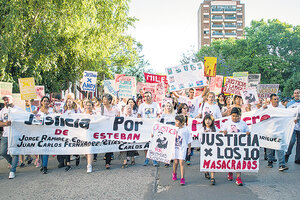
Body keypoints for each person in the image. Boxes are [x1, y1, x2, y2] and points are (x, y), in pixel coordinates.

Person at [220, 107, 250, 186]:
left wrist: (247, 133)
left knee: (238, 161)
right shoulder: (227, 123)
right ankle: (230, 172)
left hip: (239, 146)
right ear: (231, 115)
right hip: (229, 146)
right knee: (230, 160)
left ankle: (238, 177)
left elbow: (248, 131)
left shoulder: (243, 123)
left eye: (237, 116)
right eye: (233, 116)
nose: (235, 118)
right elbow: (221, 131)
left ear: (240, 116)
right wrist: (224, 131)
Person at [263, 94, 288, 171]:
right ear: (271, 100)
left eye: (277, 99)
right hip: (269, 131)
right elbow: (259, 115)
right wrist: (261, 109)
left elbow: (287, 116)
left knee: (280, 147)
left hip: (279, 131)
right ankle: (270, 161)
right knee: (270, 148)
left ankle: (282, 164)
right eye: (274, 99)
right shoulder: (267, 108)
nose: (276, 101)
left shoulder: (282, 108)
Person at [0, 95, 22, 179]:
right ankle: (13, 163)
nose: (6, 101)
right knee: (2, 152)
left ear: (12, 100)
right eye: (4, 100)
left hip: (15, 134)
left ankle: (12, 171)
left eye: (7, 99)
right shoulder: (2, 111)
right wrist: (5, 124)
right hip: (5, 135)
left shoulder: (18, 109)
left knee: (15, 152)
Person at [57, 95, 81, 171]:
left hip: (74, 130)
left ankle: (77, 155)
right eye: (67, 102)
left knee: (74, 146)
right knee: (67, 146)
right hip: (66, 131)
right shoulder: (64, 111)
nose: (69, 103)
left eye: (70, 102)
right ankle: (68, 163)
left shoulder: (76, 110)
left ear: (72, 102)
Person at [138, 91, 161, 166]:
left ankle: (154, 159)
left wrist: (157, 121)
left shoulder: (155, 105)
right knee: (146, 143)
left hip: (154, 127)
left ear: (151, 97)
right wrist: (141, 121)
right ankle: (147, 158)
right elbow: (139, 115)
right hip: (145, 128)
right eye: (145, 96)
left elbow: (159, 114)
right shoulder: (142, 105)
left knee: (154, 143)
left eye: (148, 96)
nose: (147, 98)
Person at [33, 96, 54, 174]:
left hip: (49, 132)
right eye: (44, 101)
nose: (46, 102)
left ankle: (44, 166)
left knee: (45, 148)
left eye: (47, 101)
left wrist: (51, 115)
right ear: (41, 102)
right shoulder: (37, 110)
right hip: (39, 131)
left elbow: (58, 117)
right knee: (41, 148)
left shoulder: (52, 110)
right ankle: (43, 165)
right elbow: (28, 116)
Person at [100, 93, 120, 169]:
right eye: (103, 99)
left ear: (110, 101)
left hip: (112, 129)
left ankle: (107, 162)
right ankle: (107, 156)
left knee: (110, 144)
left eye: (105, 99)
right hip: (103, 129)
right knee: (105, 144)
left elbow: (119, 119)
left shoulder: (115, 109)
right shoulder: (101, 108)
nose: (104, 101)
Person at [172, 115, 192, 186]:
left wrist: (189, 148)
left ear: (181, 122)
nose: (175, 122)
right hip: (175, 148)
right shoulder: (173, 128)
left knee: (181, 162)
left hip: (182, 148)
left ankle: (182, 178)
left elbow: (189, 139)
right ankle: (174, 173)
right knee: (176, 162)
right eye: (175, 120)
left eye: (177, 121)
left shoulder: (185, 130)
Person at [201, 114, 218, 185]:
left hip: (213, 148)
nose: (207, 121)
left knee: (213, 162)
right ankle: (206, 171)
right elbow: (199, 139)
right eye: (206, 120)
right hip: (205, 149)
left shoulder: (215, 128)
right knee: (206, 161)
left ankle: (212, 177)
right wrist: (204, 134)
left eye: (209, 120)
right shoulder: (202, 129)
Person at [285, 89, 300, 164]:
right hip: (292, 126)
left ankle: (298, 158)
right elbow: (286, 115)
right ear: (293, 94)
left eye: (298, 93)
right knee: (292, 141)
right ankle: (287, 154)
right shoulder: (290, 104)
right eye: (295, 93)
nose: (296, 94)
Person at [84, 100, 97, 173]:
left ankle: (89, 165)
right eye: (87, 105)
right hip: (84, 134)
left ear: (92, 106)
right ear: (85, 106)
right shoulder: (82, 114)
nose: (88, 107)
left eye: (90, 105)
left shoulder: (95, 114)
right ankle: (89, 161)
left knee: (90, 149)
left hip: (92, 134)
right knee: (86, 151)